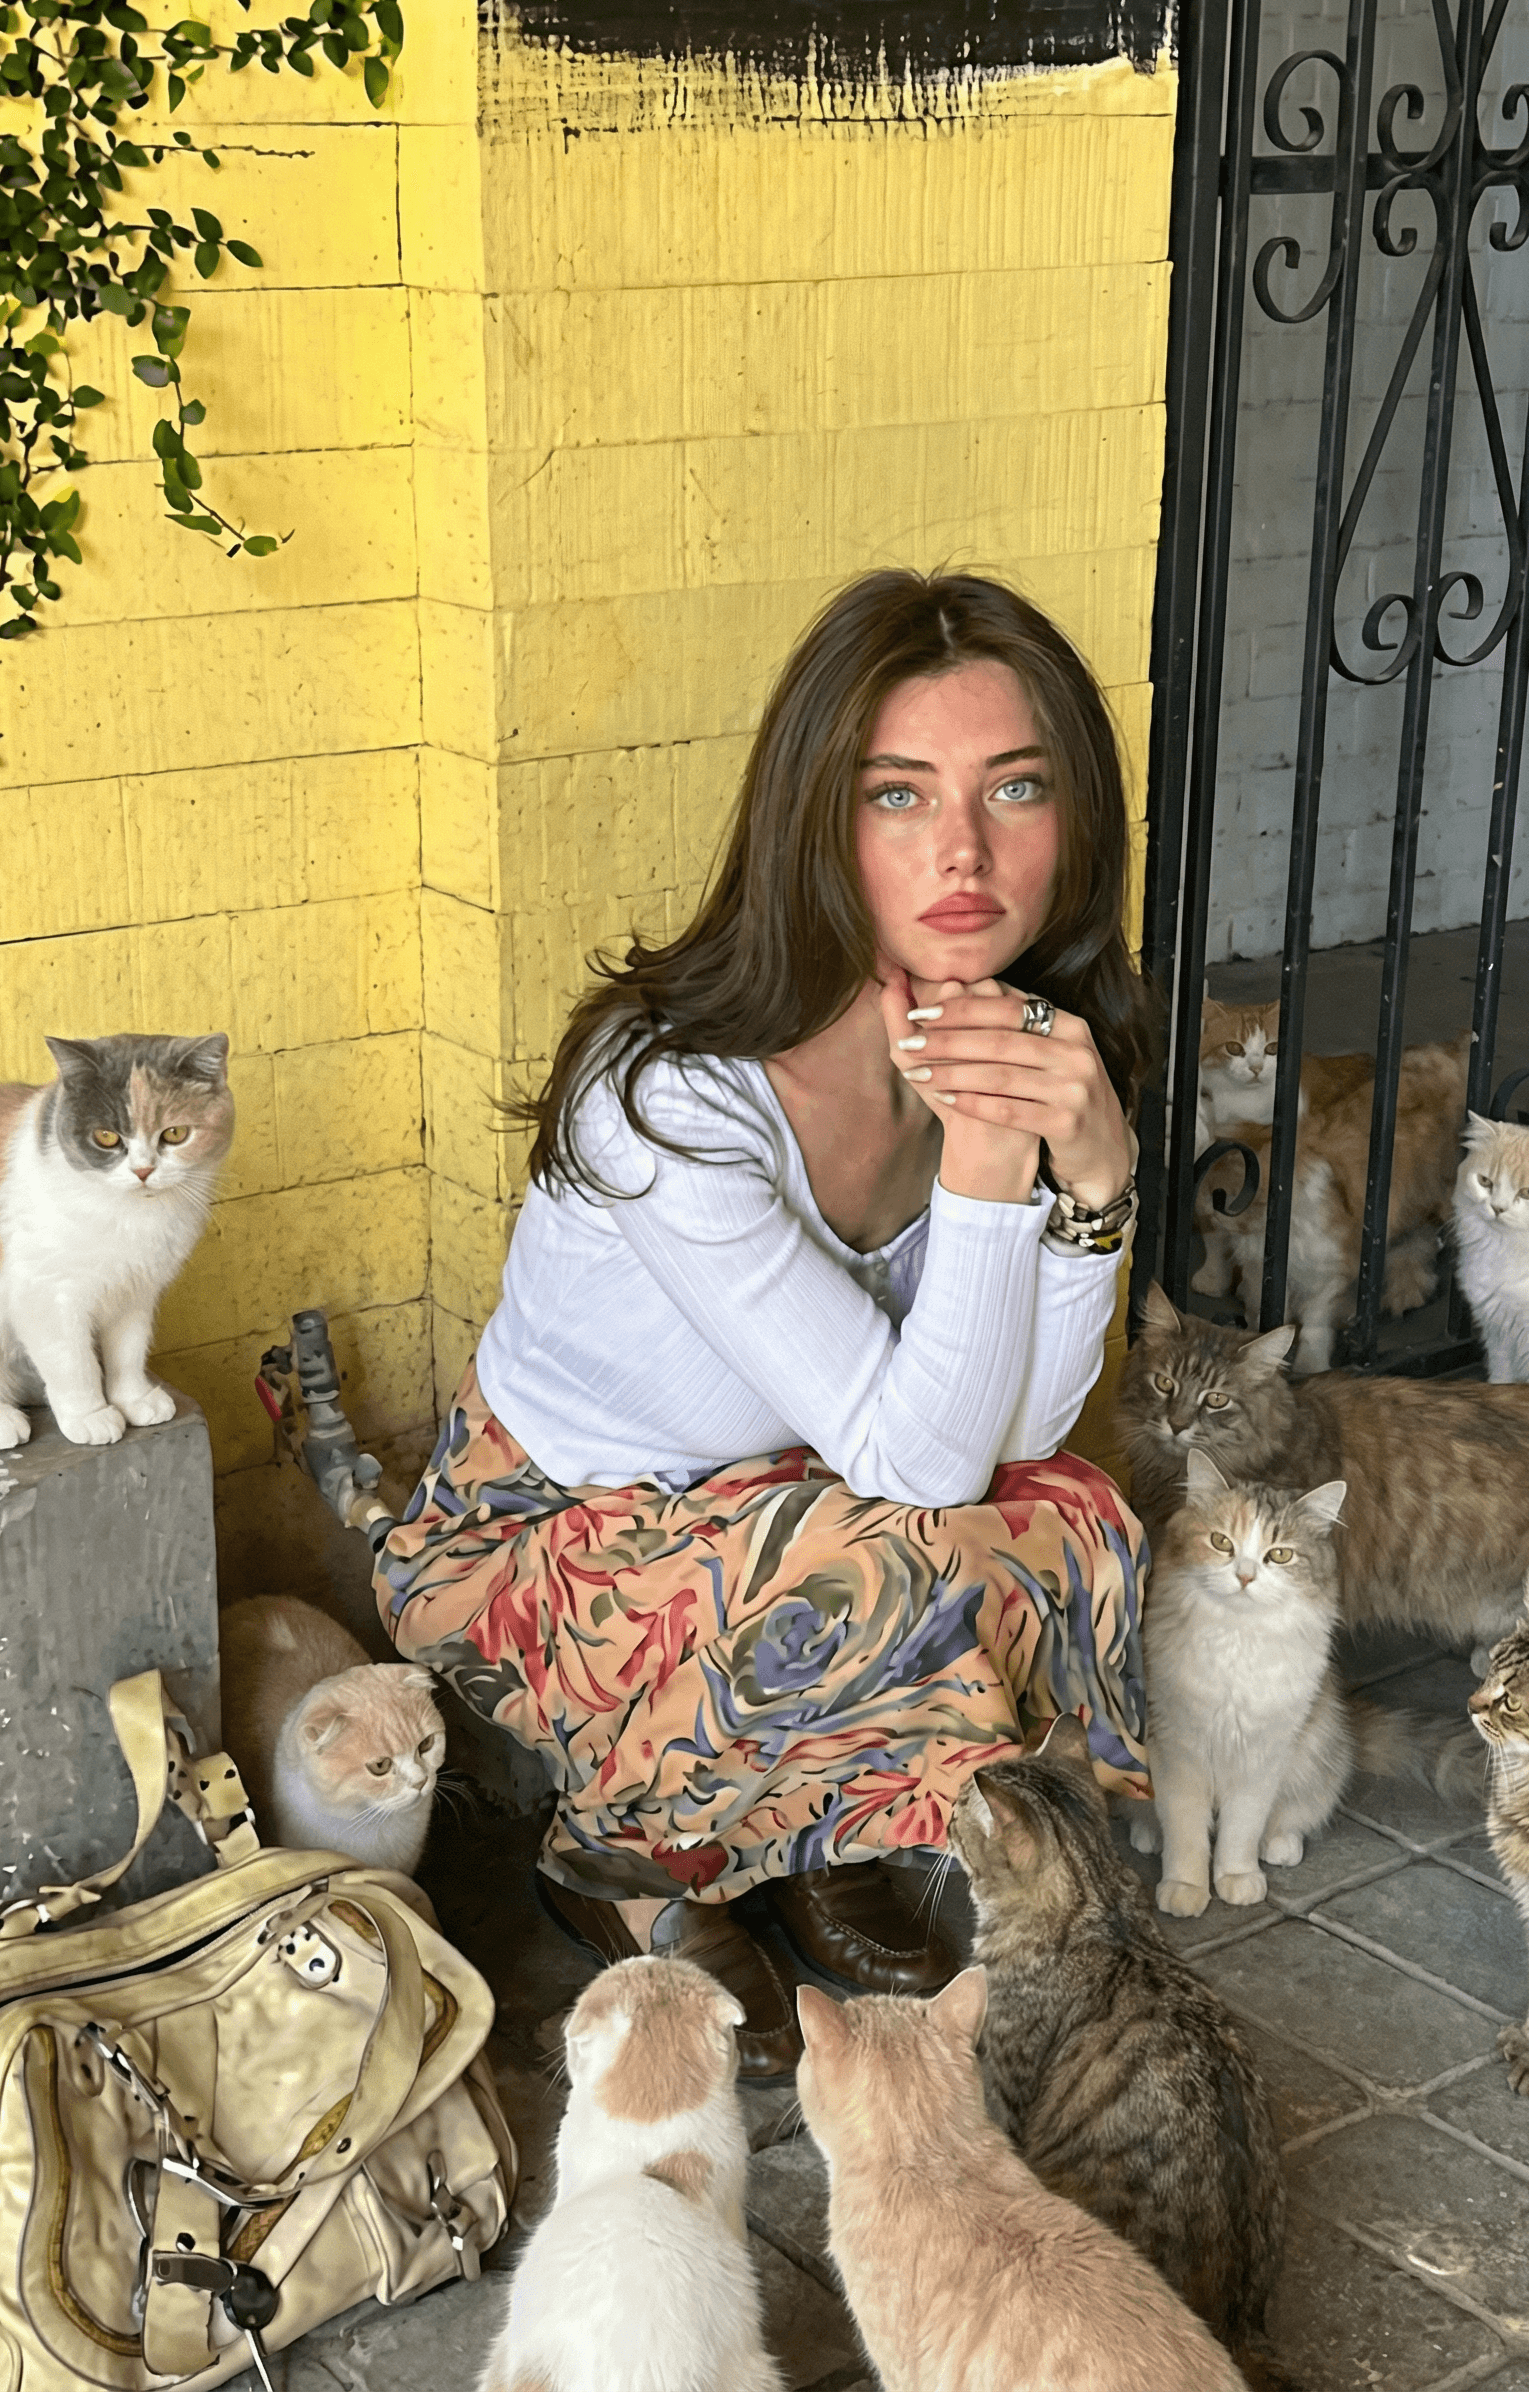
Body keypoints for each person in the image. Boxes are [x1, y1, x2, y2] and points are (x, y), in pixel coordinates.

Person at [375, 569, 1160, 2077]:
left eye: (1015, 788)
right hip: (541, 1544)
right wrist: (992, 1168)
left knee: (1070, 1518)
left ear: (1075, 822)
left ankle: (811, 1826)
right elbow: (921, 1472)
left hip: (784, 1516)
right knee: (891, 1562)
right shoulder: (668, 1094)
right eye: (897, 795)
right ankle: (615, 1860)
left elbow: (1015, 1435)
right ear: (817, 823)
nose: (965, 851)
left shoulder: (1007, 1042)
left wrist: (1096, 1184)